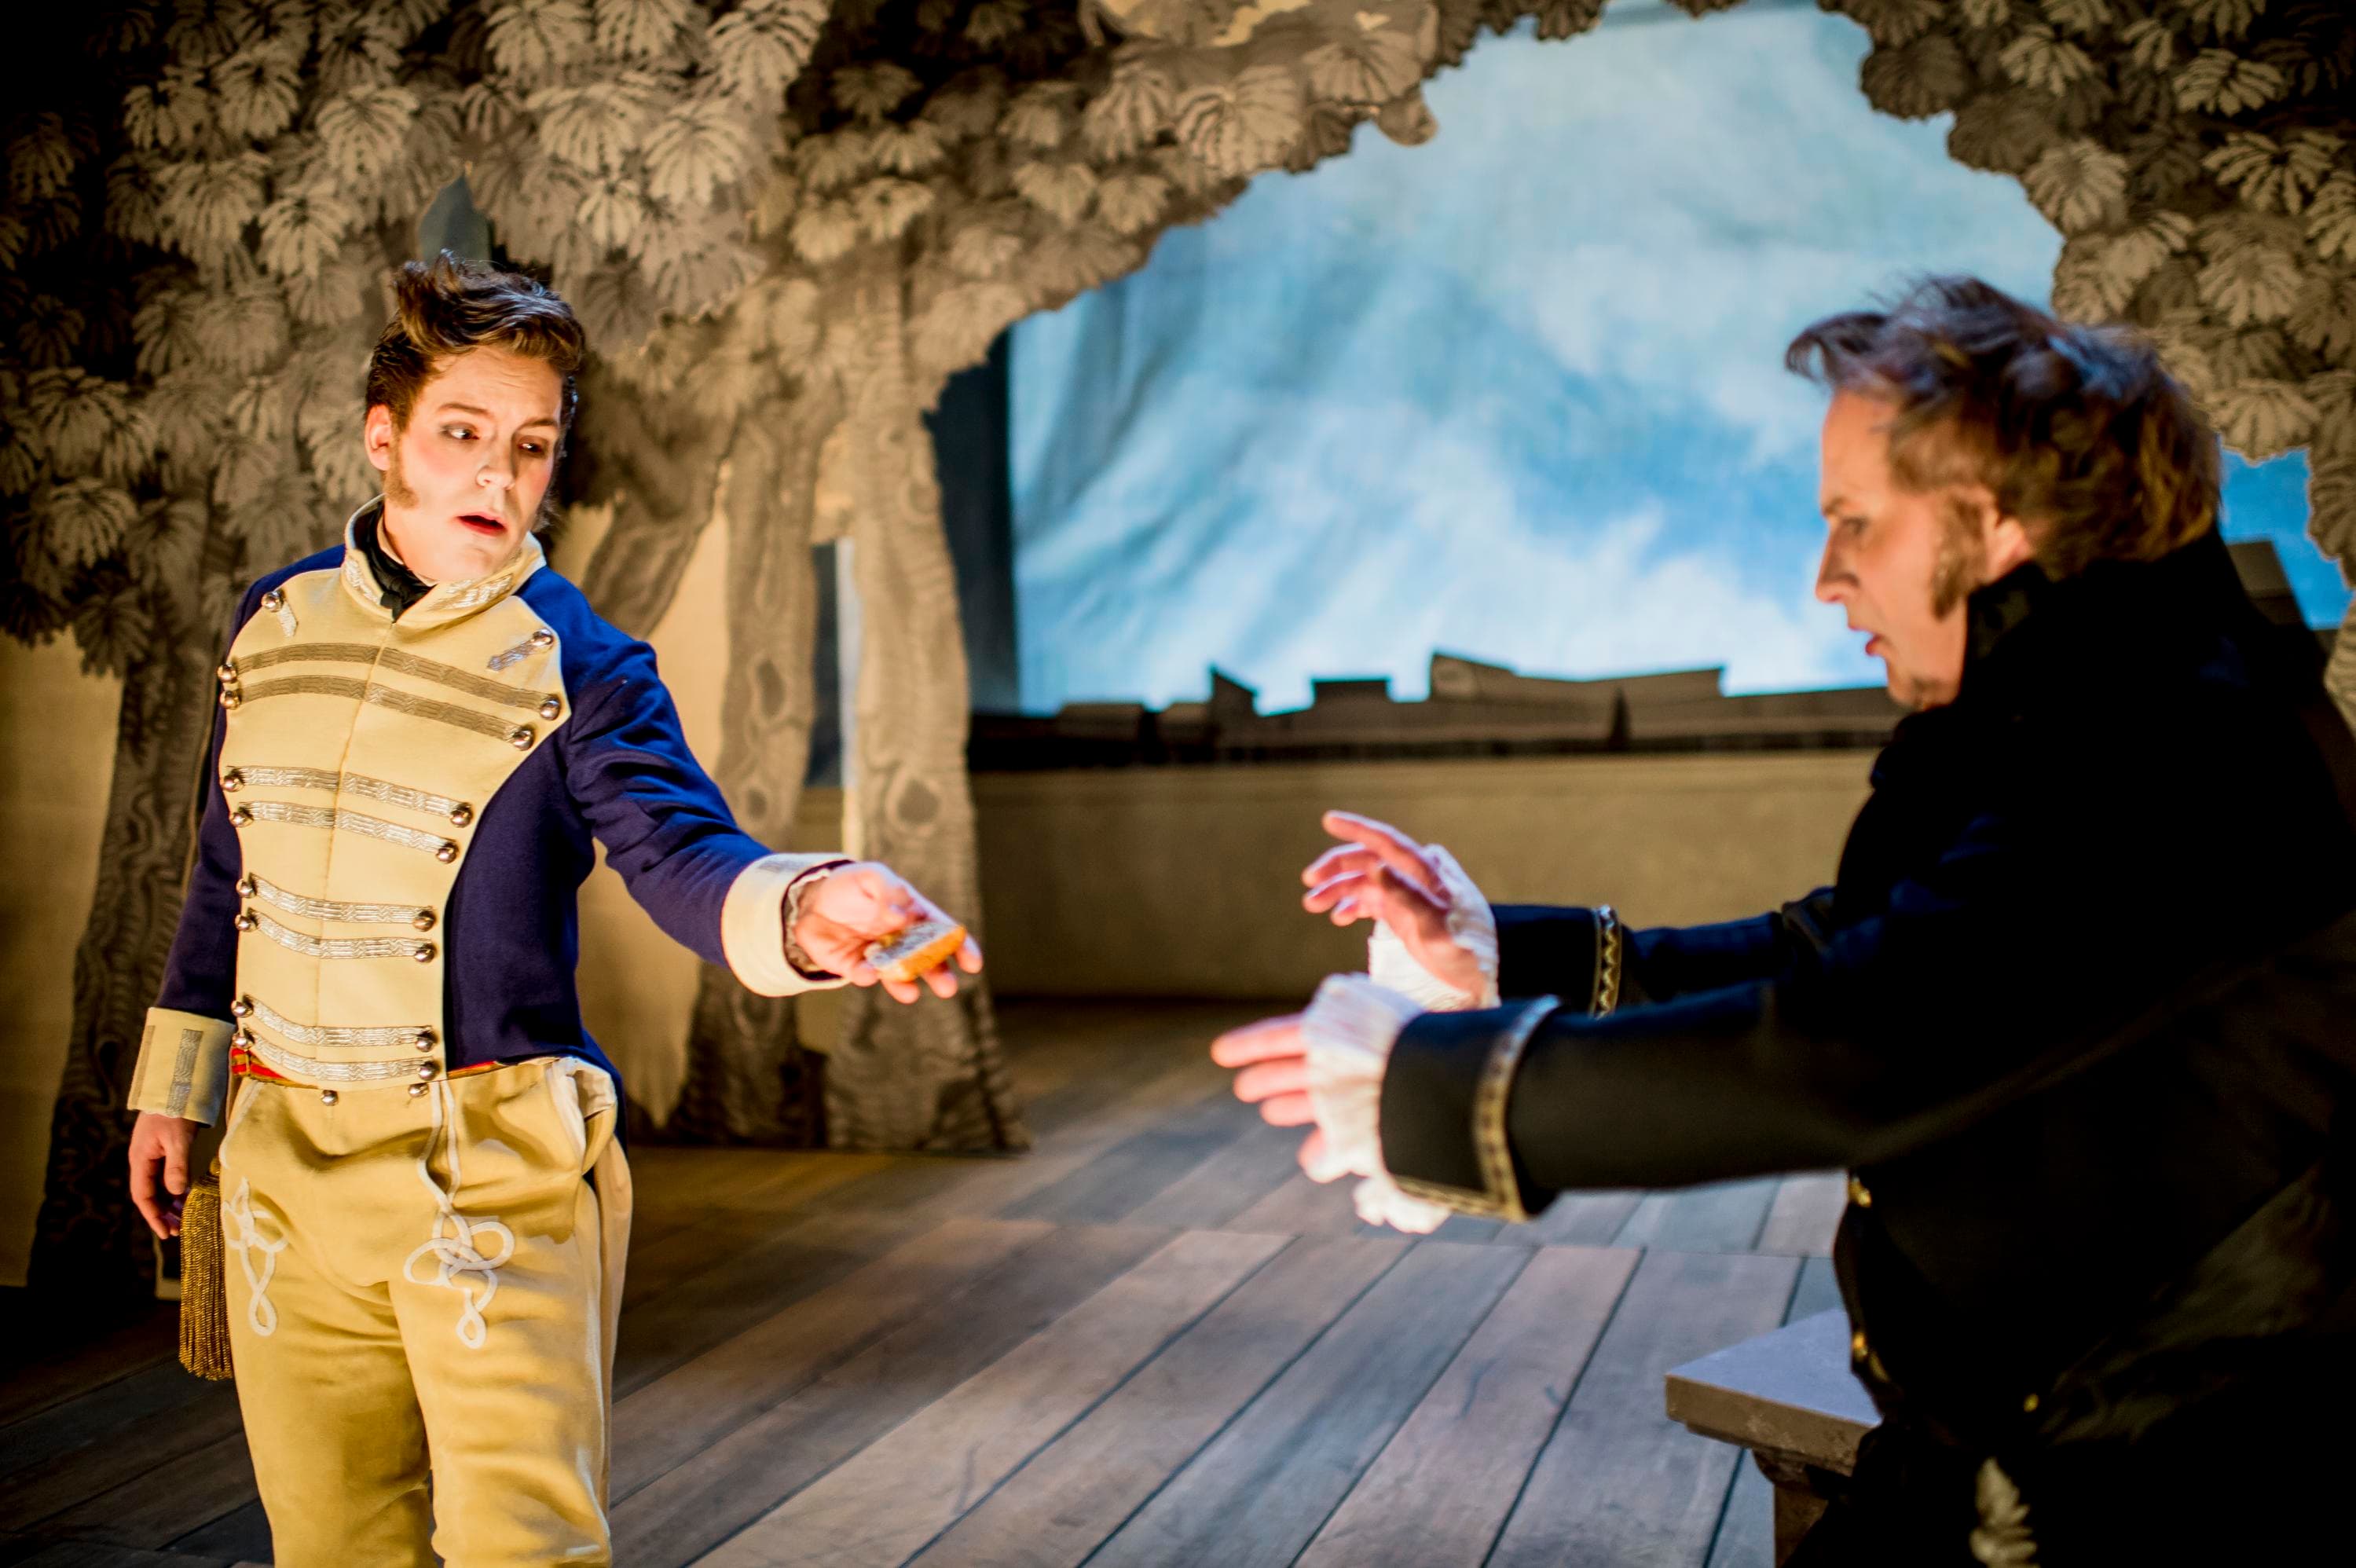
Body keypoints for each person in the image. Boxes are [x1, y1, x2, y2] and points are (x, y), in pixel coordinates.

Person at [1213, 277, 2356, 1563]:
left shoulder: (2185, 745)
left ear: (1998, 522)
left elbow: (1875, 1036)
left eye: (1856, 524)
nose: (1827, 578)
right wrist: (1507, 959)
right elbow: (1856, 950)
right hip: (1996, 1439)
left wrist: (1451, 1093)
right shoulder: (2094, 700)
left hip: (2162, 1482)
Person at [121, 253, 981, 1568]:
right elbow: (228, 872)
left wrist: (805, 904)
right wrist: (172, 1093)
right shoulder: (272, 621)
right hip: (281, 1159)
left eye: (531, 446)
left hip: (488, 1176)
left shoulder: (583, 661)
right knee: (328, 1543)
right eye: (463, 434)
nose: (499, 475)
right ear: (384, 439)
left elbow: (680, 850)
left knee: (524, 1548)